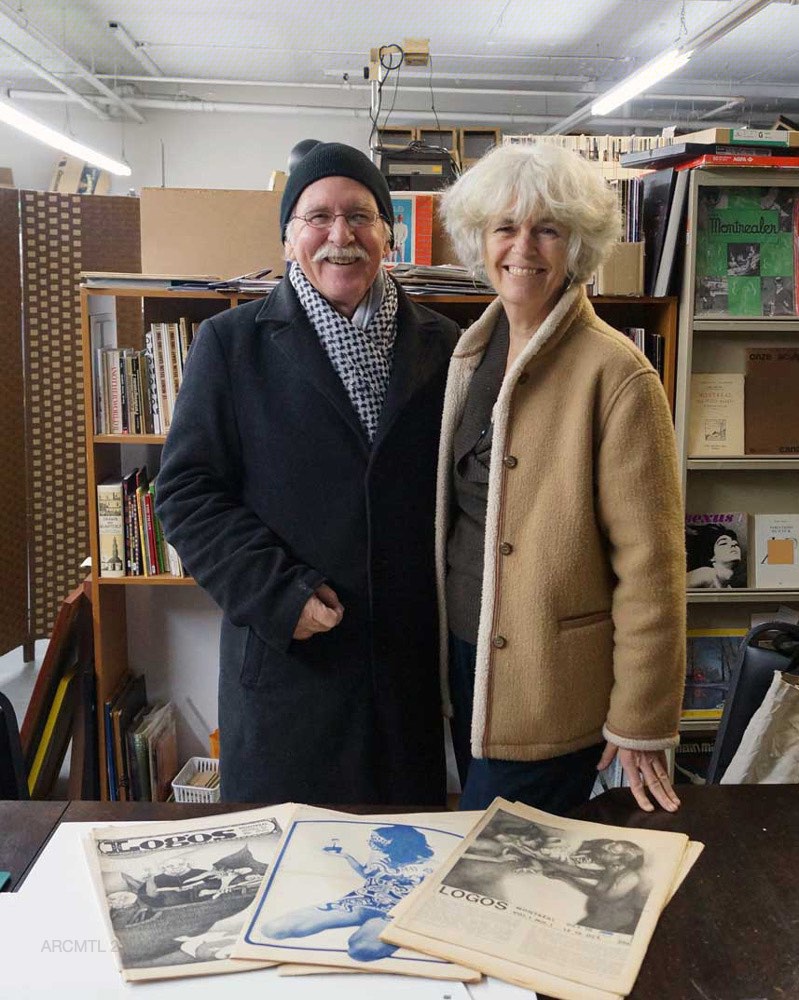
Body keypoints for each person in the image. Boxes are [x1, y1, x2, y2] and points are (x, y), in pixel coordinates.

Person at [155, 142, 459, 805]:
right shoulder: (232, 346)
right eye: (317, 217)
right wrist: (278, 594)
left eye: (360, 215)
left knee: (402, 872)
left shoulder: (448, 347)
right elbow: (184, 492)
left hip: (404, 681)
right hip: (289, 673)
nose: (339, 235)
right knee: (285, 880)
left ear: (389, 234)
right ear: (290, 239)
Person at [437, 143, 686, 815]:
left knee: (484, 858)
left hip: (551, 680)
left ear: (576, 243)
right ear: (478, 240)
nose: (524, 247)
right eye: (504, 228)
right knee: (494, 865)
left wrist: (640, 718)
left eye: (547, 228)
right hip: (466, 658)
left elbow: (652, 566)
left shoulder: (616, 373)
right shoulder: (472, 353)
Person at [261, 825, 434, 962]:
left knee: (361, 949)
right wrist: (346, 856)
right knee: (276, 929)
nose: (373, 847)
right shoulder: (381, 856)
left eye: (378, 844)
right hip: (362, 900)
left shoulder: (426, 865)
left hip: (395, 912)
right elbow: (368, 873)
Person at [686, 522, 744, 589]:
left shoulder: (728, 587)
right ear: (711, 557)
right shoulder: (706, 574)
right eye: (723, 543)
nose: (733, 545)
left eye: (736, 544)